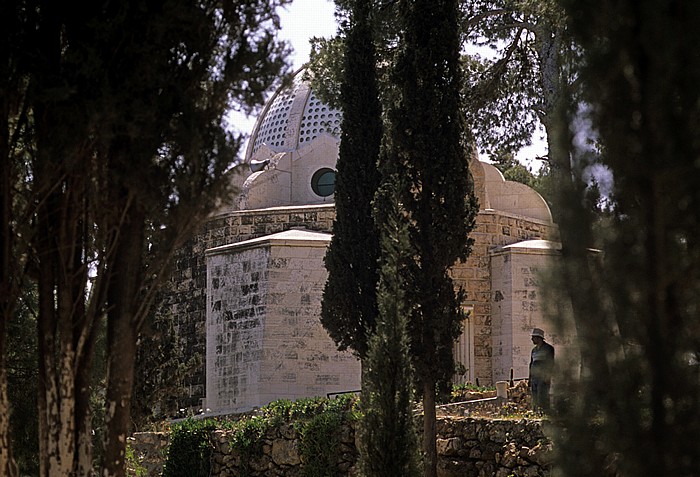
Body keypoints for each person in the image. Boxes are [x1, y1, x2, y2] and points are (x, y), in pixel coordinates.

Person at [529, 327, 554, 413]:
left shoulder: (548, 348)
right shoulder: (534, 351)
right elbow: (531, 363)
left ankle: (545, 412)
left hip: (543, 376)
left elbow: (550, 363)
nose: (532, 339)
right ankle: (536, 412)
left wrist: (548, 376)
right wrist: (530, 378)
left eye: (534, 337)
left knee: (542, 395)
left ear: (538, 338)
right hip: (534, 377)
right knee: (535, 395)